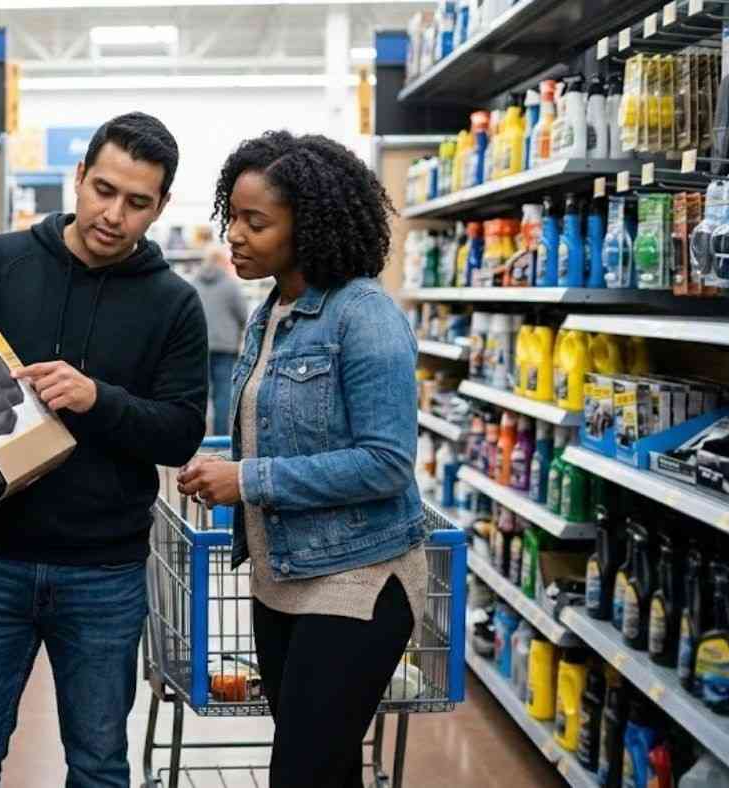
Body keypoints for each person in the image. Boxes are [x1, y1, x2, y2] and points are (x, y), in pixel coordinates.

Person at [0, 112, 209, 787]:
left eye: (137, 203)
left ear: (160, 207)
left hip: (105, 574)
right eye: (103, 190)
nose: (113, 215)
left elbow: (181, 430)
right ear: (79, 177)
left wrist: (97, 399)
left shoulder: (174, 304)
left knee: (100, 767)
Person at [176, 131, 426, 788]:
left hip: (357, 580)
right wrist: (221, 464)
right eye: (232, 215)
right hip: (280, 573)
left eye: (255, 222)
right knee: (325, 769)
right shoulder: (272, 312)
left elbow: (386, 463)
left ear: (308, 226)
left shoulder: (364, 315)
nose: (234, 234)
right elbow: (285, 433)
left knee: (300, 773)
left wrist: (248, 479)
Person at [189, 245, 248, 435]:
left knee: (198, 394)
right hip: (225, 346)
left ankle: (197, 435)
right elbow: (243, 315)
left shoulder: (193, 283)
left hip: (198, 347)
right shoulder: (230, 285)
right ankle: (222, 437)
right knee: (223, 394)